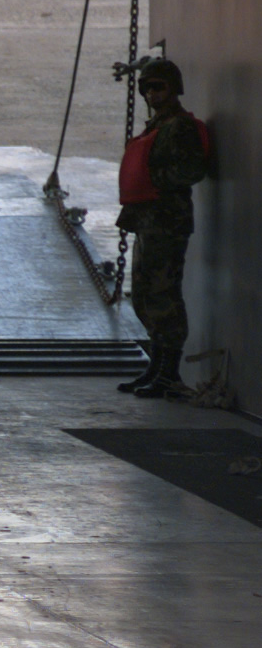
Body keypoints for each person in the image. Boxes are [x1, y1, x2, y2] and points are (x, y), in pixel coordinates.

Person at [115, 58, 209, 398]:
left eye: (159, 87)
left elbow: (193, 170)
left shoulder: (178, 127)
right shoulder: (157, 125)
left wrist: (155, 180)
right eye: (147, 88)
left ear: (174, 89)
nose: (152, 93)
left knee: (163, 296)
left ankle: (168, 373)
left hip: (167, 223)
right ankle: (157, 367)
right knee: (144, 295)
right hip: (149, 222)